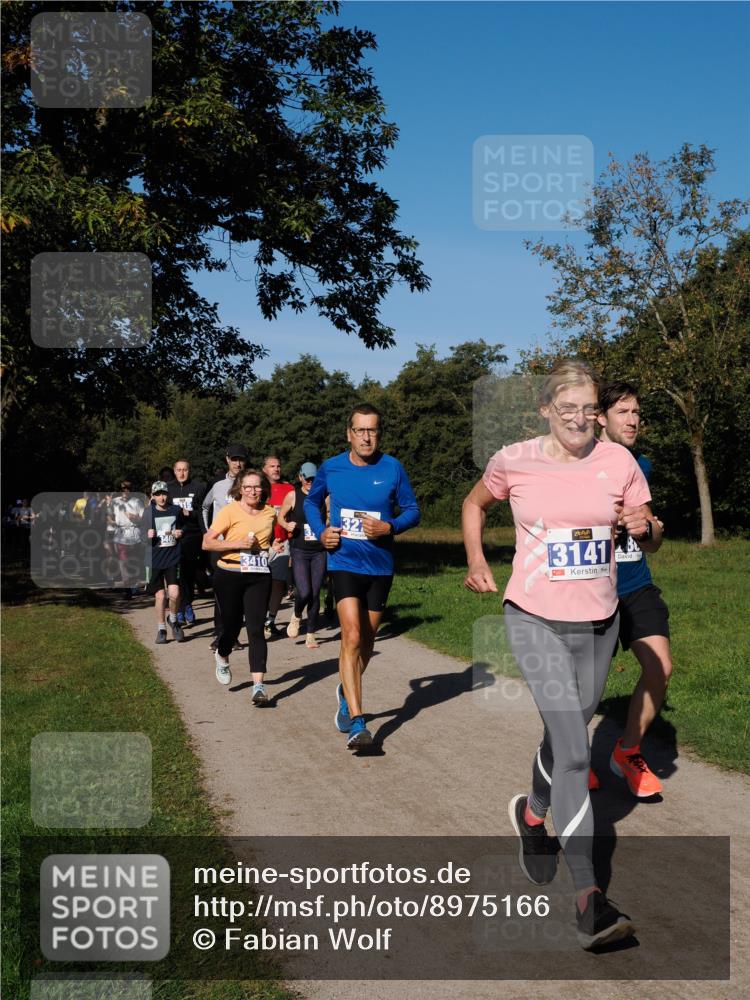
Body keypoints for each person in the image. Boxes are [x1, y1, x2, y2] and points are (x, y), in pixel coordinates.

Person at [462, 360, 658, 951]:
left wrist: (644, 526)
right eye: (566, 407)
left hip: (599, 621)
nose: (579, 418)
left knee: (563, 736)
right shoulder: (513, 459)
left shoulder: (619, 461)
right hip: (533, 618)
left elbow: (650, 531)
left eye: (589, 408)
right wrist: (476, 561)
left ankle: (532, 814)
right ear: (546, 409)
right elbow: (474, 505)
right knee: (576, 750)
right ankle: (589, 900)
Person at [305, 404, 421, 749]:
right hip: (343, 562)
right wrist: (321, 530)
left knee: (366, 643)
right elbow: (312, 503)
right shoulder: (332, 467)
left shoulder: (392, 468)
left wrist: (391, 526)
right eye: (360, 430)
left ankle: (346, 685)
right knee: (352, 635)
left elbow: (413, 511)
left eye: (372, 430)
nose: (367, 437)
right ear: (349, 434)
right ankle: (358, 721)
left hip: (380, 565)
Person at [591, 381, 670, 797]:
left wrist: (648, 528)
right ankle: (563, 757)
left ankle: (628, 750)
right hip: (590, 589)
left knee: (661, 667)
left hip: (636, 583)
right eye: (624, 411)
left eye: (637, 412)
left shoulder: (643, 464)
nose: (633, 419)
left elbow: (652, 540)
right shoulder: (579, 464)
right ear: (600, 418)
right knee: (584, 687)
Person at [202, 469, 285, 704]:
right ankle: (222, 652)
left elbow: (263, 544)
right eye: (247, 487)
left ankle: (259, 686)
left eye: (257, 487)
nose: (252, 491)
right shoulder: (229, 511)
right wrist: (238, 544)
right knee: (232, 627)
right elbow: (207, 542)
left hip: (258, 574)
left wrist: (272, 548)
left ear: (263, 489)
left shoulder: (269, 513)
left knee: (256, 629)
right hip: (229, 574)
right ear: (240, 489)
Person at [201, 444, 248, 649]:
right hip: (220, 545)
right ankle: (220, 632)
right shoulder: (218, 485)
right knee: (221, 590)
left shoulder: (249, 484)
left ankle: (233, 634)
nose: (238, 463)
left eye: (241, 459)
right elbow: (203, 507)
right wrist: (207, 531)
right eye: (234, 459)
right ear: (227, 459)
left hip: (243, 544)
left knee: (239, 592)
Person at [278, 462, 327, 649]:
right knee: (304, 591)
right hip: (299, 549)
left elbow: (329, 516)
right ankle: (297, 615)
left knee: (315, 593)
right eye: (307, 479)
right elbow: (280, 517)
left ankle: (311, 634)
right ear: (300, 478)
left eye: (314, 479)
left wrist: (329, 526)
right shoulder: (293, 496)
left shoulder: (325, 496)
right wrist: (286, 525)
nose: (310, 482)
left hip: (319, 551)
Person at [142, 481, 185, 643]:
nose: (162, 497)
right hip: (154, 560)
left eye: (164, 493)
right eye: (158, 494)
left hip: (173, 558)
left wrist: (181, 532)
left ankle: (173, 620)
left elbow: (187, 526)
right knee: (160, 596)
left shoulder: (175, 510)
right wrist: (146, 535)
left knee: (174, 593)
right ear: (152, 496)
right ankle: (161, 629)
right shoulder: (147, 513)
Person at [168, 459, 207, 628]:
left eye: (185, 470)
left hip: (193, 536)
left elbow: (203, 512)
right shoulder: (168, 489)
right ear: (174, 471)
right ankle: (183, 608)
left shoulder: (198, 488)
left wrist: (189, 513)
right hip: (174, 536)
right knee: (179, 573)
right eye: (178, 470)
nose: (182, 473)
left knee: (191, 574)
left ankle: (188, 602)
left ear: (189, 471)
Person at [261, 456, 295, 639]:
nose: (276, 469)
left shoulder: (289, 489)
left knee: (278, 584)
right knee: (259, 583)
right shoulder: (257, 488)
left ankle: (270, 621)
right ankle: (257, 618)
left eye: (278, 466)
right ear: (264, 469)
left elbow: (294, 517)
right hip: (261, 544)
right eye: (272, 466)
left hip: (282, 544)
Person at [112, 481, 145, 596]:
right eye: (123, 489)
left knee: (134, 560)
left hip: (134, 533)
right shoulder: (115, 502)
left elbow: (143, 518)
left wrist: (135, 517)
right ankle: (127, 586)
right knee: (123, 561)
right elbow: (109, 516)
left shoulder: (137, 502)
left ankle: (134, 583)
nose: (125, 491)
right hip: (120, 534)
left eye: (128, 488)